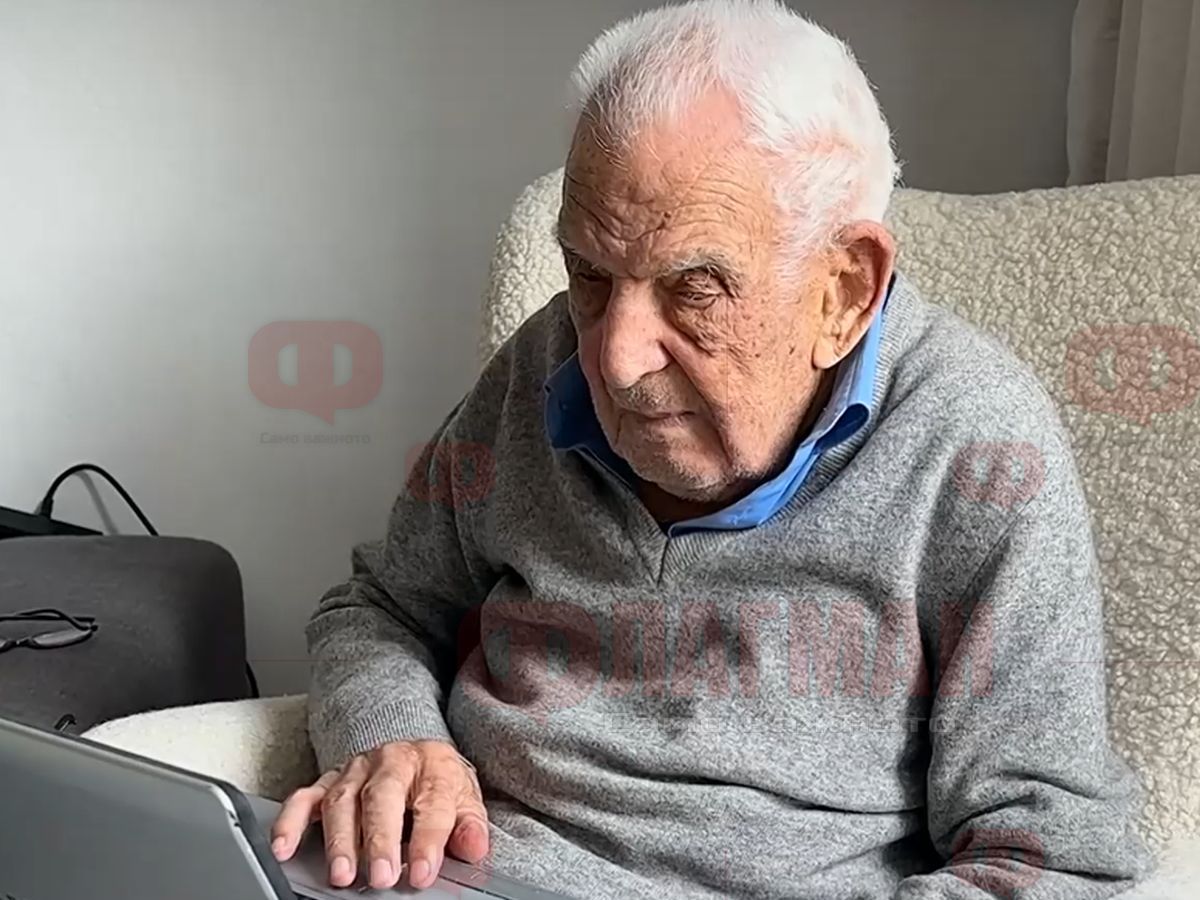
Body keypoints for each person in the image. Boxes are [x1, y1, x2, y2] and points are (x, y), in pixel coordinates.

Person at [271, 1, 1152, 896]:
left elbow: (1056, 857)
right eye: (589, 274)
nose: (615, 358)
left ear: (844, 292)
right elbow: (381, 607)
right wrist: (391, 736)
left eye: (693, 287)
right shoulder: (546, 362)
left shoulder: (975, 444)